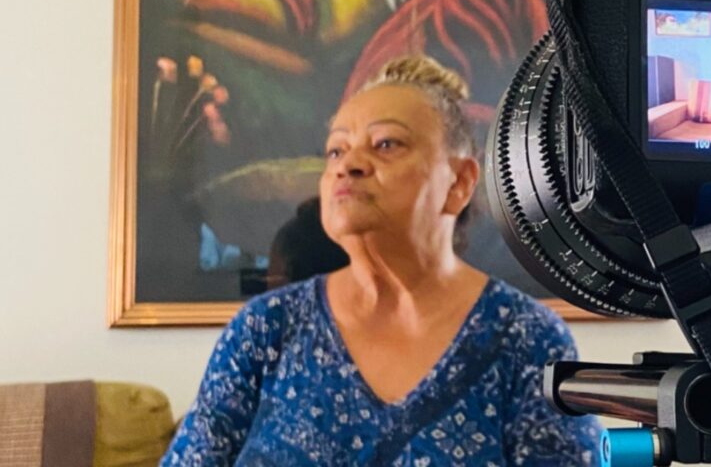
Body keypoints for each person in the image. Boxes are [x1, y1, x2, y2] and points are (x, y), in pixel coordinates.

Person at [163, 56, 602, 466]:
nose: (348, 164)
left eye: (386, 143)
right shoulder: (266, 328)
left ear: (459, 182)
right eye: (336, 150)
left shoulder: (526, 338)